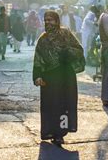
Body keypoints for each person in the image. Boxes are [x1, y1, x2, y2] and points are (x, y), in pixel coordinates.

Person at [33, 10, 85, 146]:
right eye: (46, 20)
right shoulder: (42, 39)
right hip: (49, 79)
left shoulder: (66, 34)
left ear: (57, 21)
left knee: (64, 105)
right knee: (51, 106)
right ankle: (51, 131)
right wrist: (37, 76)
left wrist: (67, 52)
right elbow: (37, 59)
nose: (48, 23)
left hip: (66, 76)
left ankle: (60, 134)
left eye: (50, 20)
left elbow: (79, 50)